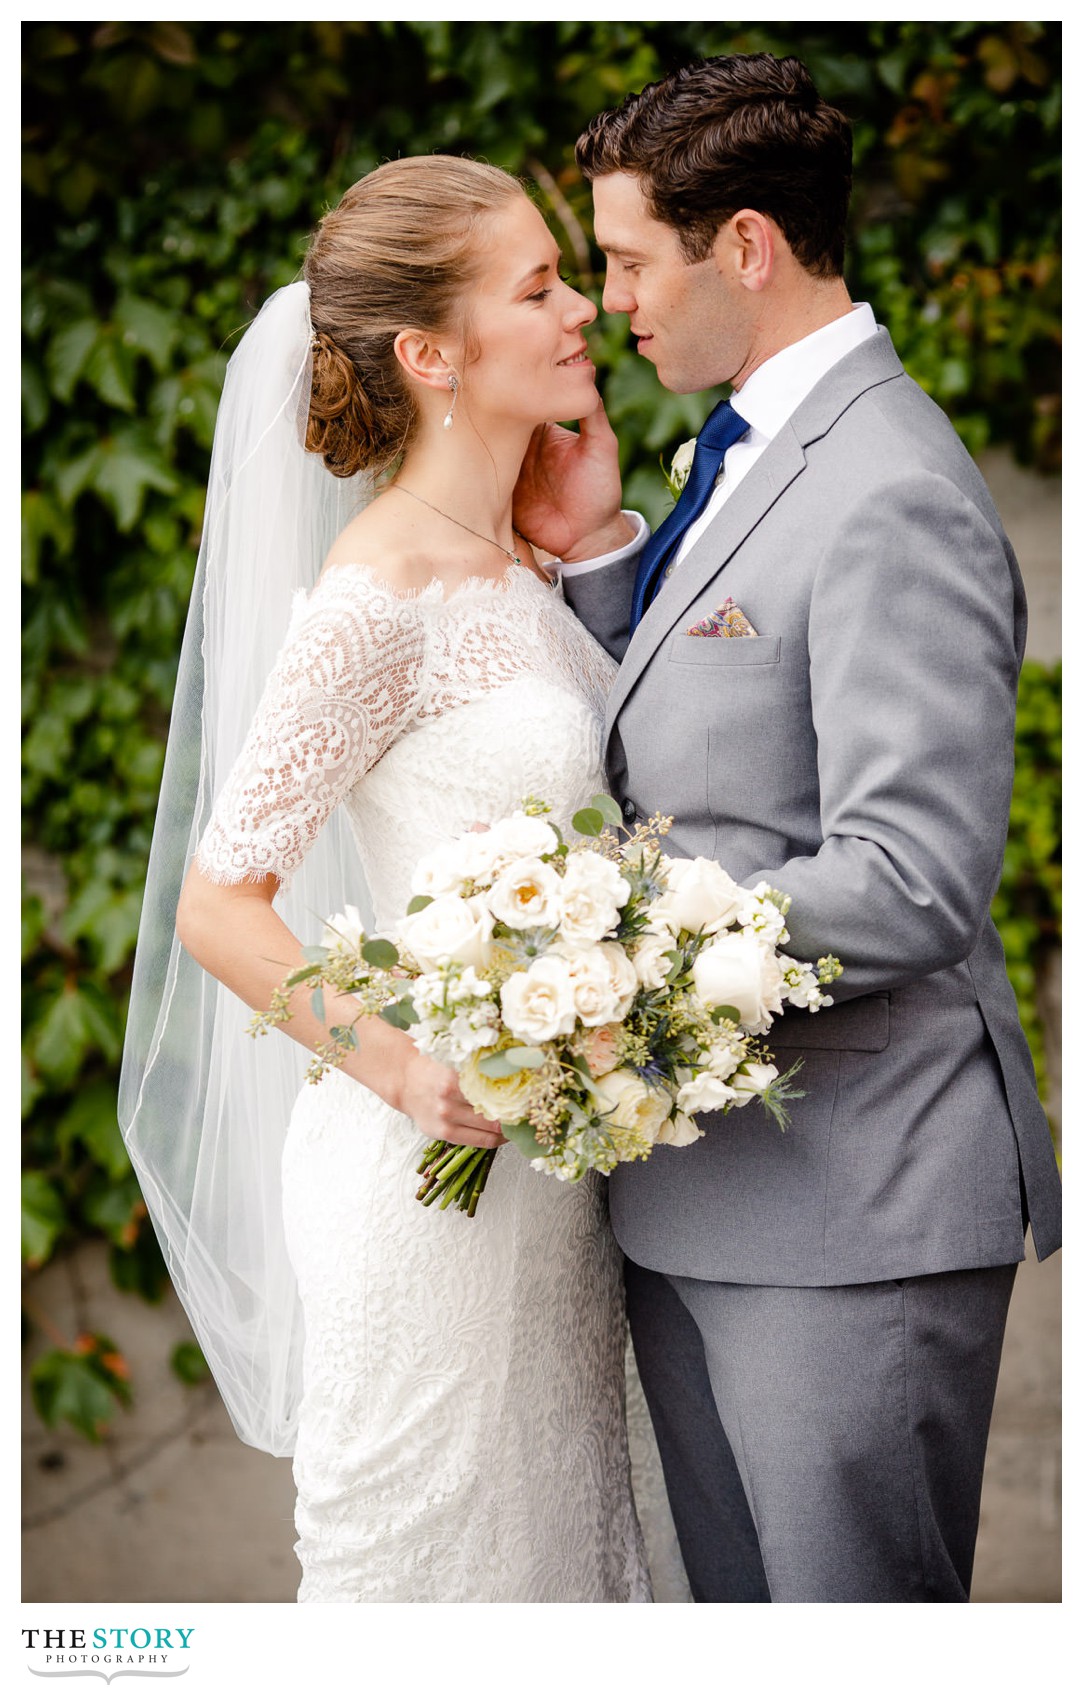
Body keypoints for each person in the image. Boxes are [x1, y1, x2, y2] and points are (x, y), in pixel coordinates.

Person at [512, 52, 1063, 1602]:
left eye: (625, 260)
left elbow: (911, 878)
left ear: (742, 245)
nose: (611, 300)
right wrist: (611, 559)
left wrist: (605, 940)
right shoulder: (739, 449)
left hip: (854, 1208)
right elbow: (719, 741)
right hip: (710, 1191)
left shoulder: (892, 486)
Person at [119, 155, 672, 1603]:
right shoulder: (380, 595)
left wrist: (595, 538)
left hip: (551, 1203)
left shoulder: (520, 572)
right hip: (430, 1189)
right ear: (429, 352)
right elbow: (218, 902)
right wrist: (404, 1072)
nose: (582, 316)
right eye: (540, 287)